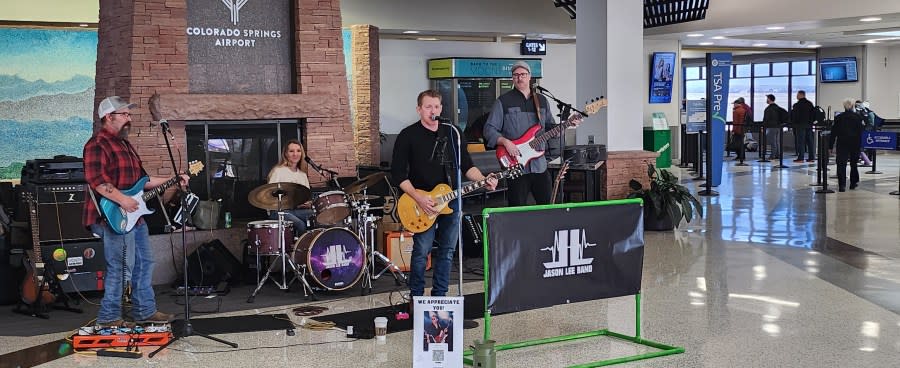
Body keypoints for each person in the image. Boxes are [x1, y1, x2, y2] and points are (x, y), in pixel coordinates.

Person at [83, 96, 188, 327]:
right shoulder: (97, 144)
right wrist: (122, 200)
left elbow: (144, 180)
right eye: (124, 115)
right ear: (108, 117)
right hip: (111, 215)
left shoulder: (125, 144)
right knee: (121, 267)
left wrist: (174, 179)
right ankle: (109, 317)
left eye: (129, 114)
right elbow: (97, 181)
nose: (129, 118)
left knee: (145, 262)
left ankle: (145, 311)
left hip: (134, 217)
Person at [391, 90, 497, 299]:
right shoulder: (408, 135)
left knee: (448, 251)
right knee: (422, 251)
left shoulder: (453, 133)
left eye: (437, 107)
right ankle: (417, 296)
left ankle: (440, 296)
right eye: (428, 107)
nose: (433, 111)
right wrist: (418, 197)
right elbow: (398, 174)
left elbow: (466, 166)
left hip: (451, 200)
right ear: (419, 109)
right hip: (420, 202)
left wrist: (484, 180)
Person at [483, 61, 579, 206]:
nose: (519, 78)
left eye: (523, 74)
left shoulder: (541, 100)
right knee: (517, 208)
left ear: (529, 77)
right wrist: (505, 142)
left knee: (547, 206)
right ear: (512, 78)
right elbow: (489, 130)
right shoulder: (503, 102)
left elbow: (551, 129)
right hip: (516, 167)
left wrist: (567, 125)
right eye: (515, 75)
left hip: (539, 165)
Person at [266, 139, 314, 236]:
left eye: (298, 151)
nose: (295, 154)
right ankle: (299, 250)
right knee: (301, 225)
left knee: (316, 218)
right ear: (286, 154)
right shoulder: (278, 171)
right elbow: (268, 196)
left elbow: (306, 197)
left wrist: (307, 204)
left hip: (296, 210)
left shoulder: (302, 175)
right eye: (291, 151)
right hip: (279, 212)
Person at [829, 99, 865, 192]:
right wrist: (861, 145)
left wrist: (830, 146)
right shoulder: (858, 117)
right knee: (854, 163)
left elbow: (833, 133)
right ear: (853, 106)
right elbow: (861, 132)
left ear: (844, 106)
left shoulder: (838, 118)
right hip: (855, 143)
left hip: (842, 143)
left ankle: (842, 185)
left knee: (841, 163)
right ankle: (853, 183)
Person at [790, 91, 816, 162]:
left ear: (801, 95)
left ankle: (801, 158)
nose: (796, 96)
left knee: (801, 142)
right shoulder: (810, 104)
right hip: (809, 125)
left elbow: (795, 116)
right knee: (810, 141)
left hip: (800, 125)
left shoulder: (797, 105)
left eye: (797, 95)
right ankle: (811, 157)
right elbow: (813, 115)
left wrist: (793, 124)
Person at [762, 94, 785, 159]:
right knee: (777, 141)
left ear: (769, 99)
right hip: (779, 126)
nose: (766, 100)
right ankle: (778, 154)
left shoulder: (768, 109)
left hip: (771, 127)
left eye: (767, 98)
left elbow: (766, 119)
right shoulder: (778, 107)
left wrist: (763, 126)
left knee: (773, 142)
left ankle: (773, 155)